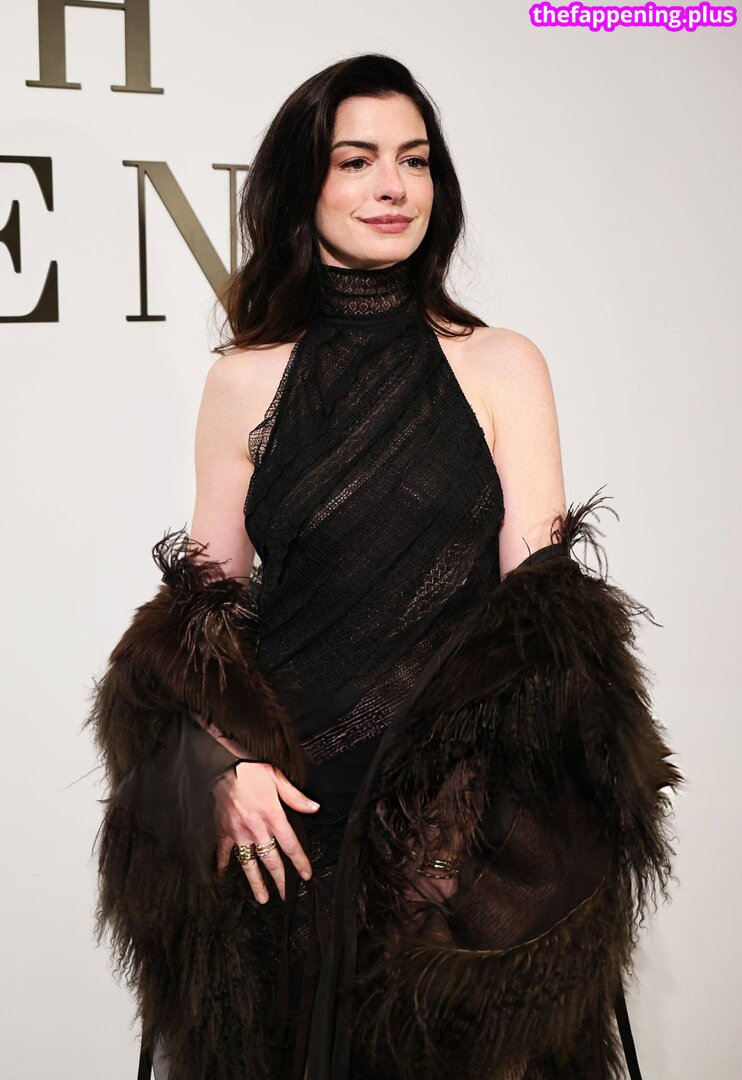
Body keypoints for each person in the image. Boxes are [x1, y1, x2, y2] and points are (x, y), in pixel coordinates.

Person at [85, 54, 683, 1080]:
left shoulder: (500, 364)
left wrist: (467, 816)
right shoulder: (244, 379)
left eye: (414, 160)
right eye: (356, 161)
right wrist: (223, 767)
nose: (392, 187)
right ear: (303, 187)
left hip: (456, 828)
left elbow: (540, 617)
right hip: (291, 820)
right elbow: (200, 619)